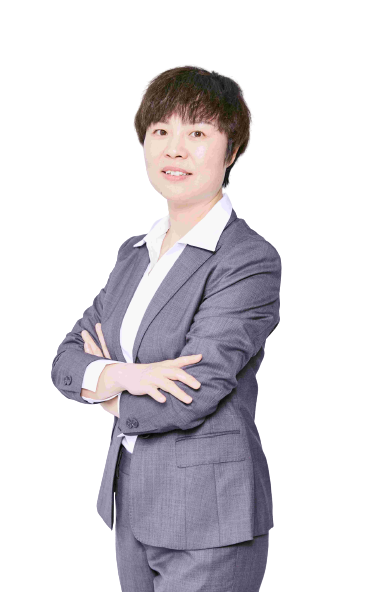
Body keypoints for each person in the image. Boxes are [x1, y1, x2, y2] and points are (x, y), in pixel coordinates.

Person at [51, 65, 281, 591]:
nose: (174, 149)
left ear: (231, 150)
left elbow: (193, 391)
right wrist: (130, 375)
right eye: (161, 131)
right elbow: (66, 358)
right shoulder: (134, 253)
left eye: (197, 133)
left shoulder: (246, 259)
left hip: (209, 516)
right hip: (130, 501)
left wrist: (105, 390)